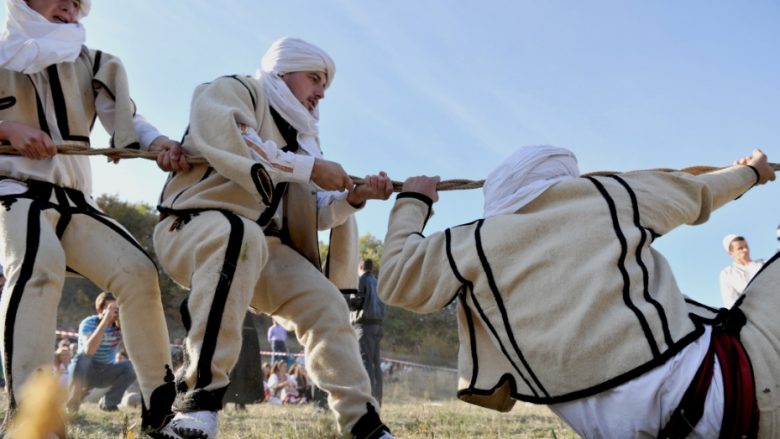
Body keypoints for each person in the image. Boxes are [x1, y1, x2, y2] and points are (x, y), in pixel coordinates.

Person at [378, 145, 777, 437]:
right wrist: (752, 173)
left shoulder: (470, 244)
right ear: (565, 181)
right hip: (731, 394)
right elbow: (696, 192)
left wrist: (412, 201)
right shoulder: (605, 196)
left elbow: (394, 278)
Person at [153, 37, 394, 439]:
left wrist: (354, 197)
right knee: (237, 233)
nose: (320, 92)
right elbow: (238, 141)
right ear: (282, 73)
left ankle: (363, 424)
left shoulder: (304, 141)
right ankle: (196, 408)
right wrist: (310, 167)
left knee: (326, 303)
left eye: (325, 86)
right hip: (193, 227)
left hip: (261, 246)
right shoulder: (234, 89)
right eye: (314, 79)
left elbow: (309, 212)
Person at [0, 1, 183, 436]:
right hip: (11, 190)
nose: (72, 7)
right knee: (36, 269)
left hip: (77, 200)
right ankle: (31, 416)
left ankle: (161, 415)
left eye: (79, 2)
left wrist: (159, 143)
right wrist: (7, 130)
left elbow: (128, 119)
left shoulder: (93, 62)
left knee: (139, 274)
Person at [67, 292, 136, 413]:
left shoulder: (120, 324)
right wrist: (105, 321)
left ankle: (109, 403)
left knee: (133, 366)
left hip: (106, 370)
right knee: (81, 357)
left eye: (116, 309)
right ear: (99, 309)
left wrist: (122, 325)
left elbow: (131, 351)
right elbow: (89, 351)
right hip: (85, 369)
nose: (114, 312)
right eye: (110, 308)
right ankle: (73, 403)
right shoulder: (88, 323)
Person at [351, 258, 386, 405]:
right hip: (378, 325)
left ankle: (368, 398)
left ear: (360, 267)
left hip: (364, 325)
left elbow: (357, 302)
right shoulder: (378, 283)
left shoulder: (361, 281)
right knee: (375, 363)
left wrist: (344, 301)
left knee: (365, 362)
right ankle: (378, 397)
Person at [224, 312, 264, 409]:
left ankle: (241, 402)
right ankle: (223, 400)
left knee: (244, 373)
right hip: (234, 340)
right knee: (230, 372)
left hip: (247, 344)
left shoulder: (249, 308)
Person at [720, 235, 764, 308]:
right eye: (740, 248)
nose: (745, 250)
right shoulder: (727, 274)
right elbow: (730, 303)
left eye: (746, 246)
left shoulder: (763, 263)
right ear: (730, 253)